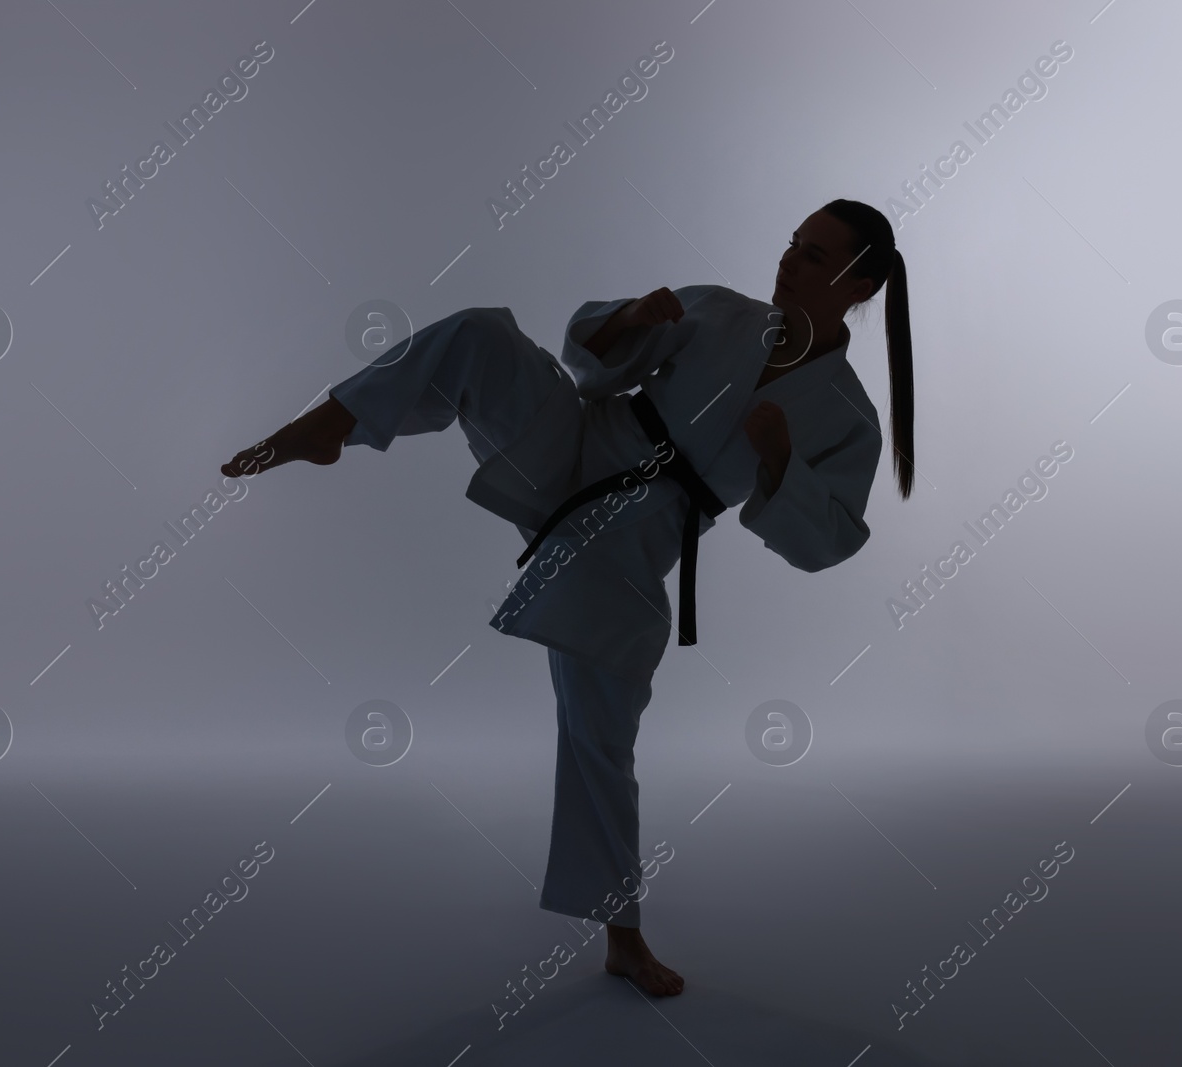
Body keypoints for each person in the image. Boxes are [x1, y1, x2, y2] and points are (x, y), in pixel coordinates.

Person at [222, 199, 914, 997]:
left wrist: (782, 464)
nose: (791, 260)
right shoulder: (724, 310)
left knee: (599, 736)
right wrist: (624, 321)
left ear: (861, 283)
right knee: (480, 333)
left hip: (631, 541)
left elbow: (828, 542)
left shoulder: (849, 415)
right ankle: (330, 422)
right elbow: (591, 367)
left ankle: (623, 938)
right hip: (575, 445)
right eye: (794, 242)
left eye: (817, 256)